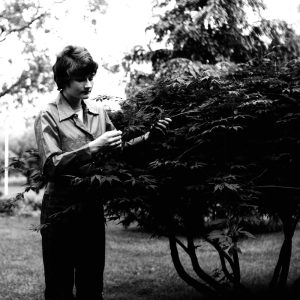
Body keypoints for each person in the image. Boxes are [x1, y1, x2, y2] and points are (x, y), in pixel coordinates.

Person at [34, 45, 171, 300]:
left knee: (91, 286)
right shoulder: (48, 115)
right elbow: (50, 166)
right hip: (59, 209)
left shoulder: (98, 113)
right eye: (80, 78)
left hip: (91, 208)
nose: (88, 84)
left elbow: (116, 152)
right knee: (59, 287)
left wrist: (148, 138)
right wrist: (92, 147)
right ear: (64, 80)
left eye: (91, 77)